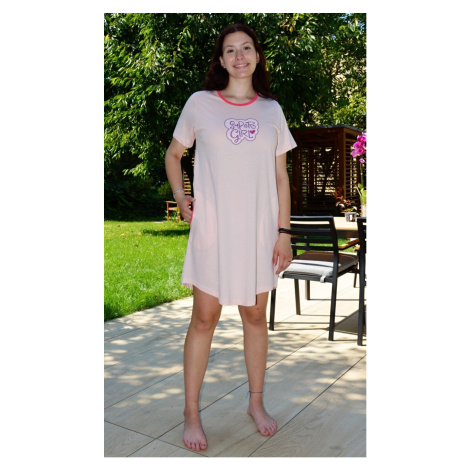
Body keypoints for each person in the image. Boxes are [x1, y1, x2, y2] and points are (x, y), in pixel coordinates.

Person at [165, 23, 297, 452]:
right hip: (213, 231)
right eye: (230, 50)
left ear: (257, 56)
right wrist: (181, 196)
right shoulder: (199, 104)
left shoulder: (272, 111)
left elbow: (281, 177)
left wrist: (284, 233)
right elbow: (174, 154)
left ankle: (255, 403)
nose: (239, 56)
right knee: (204, 319)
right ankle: (191, 412)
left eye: (246, 48)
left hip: (259, 234)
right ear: (220, 60)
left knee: (255, 317)